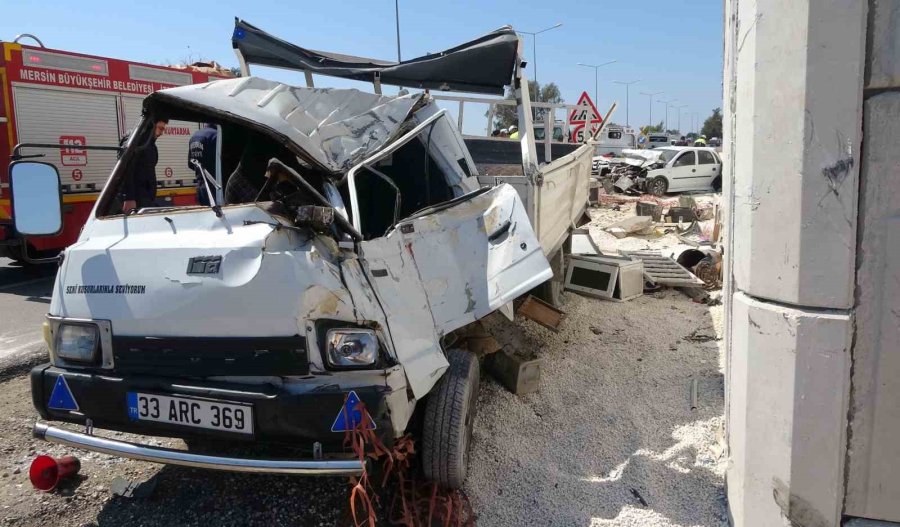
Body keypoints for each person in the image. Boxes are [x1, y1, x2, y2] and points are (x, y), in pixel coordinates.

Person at [122, 117, 167, 213]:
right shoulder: (134, 141)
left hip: (146, 199)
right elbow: (125, 169)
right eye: (160, 128)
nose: (161, 133)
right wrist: (129, 198)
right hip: (136, 199)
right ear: (151, 125)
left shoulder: (150, 145)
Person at [188, 124, 218, 205]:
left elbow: (191, 164)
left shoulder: (194, 137)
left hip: (200, 187)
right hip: (215, 188)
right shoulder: (216, 135)